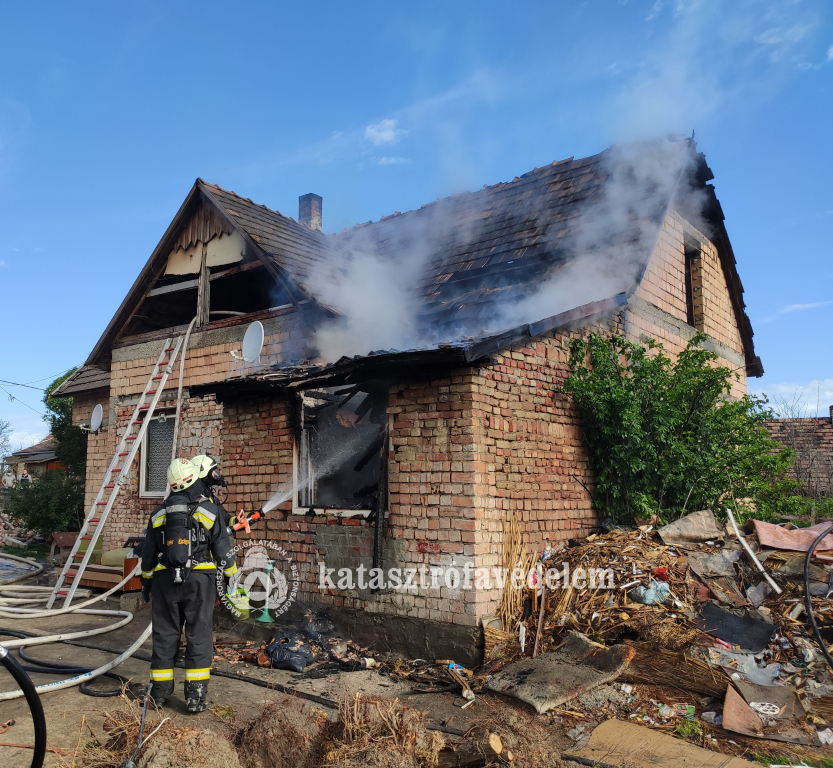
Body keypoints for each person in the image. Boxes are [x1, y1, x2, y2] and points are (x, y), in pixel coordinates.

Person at [140, 456, 238, 712]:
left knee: (165, 635)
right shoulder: (209, 511)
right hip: (200, 582)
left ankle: (159, 693)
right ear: (194, 479)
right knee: (199, 634)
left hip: (164, 582)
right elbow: (223, 552)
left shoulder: (158, 514)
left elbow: (148, 557)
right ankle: (195, 697)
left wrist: (146, 585)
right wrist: (231, 579)